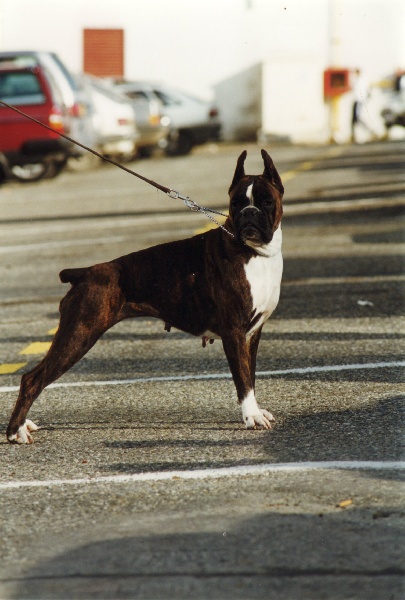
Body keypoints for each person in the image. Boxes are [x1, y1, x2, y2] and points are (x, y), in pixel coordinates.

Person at [351, 69, 374, 142]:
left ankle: (369, 132)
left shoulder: (362, 80)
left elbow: (367, 90)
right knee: (355, 119)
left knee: (357, 118)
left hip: (359, 100)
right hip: (357, 100)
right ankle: (356, 134)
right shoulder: (357, 80)